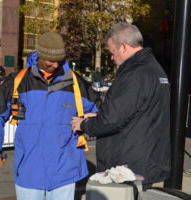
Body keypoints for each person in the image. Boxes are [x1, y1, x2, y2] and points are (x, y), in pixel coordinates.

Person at [0, 32, 99, 200]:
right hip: (29, 169)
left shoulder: (76, 83)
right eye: (51, 60)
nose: (55, 64)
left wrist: (88, 120)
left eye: (59, 60)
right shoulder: (18, 81)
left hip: (64, 171)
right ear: (40, 57)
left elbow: (101, 114)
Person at [71, 22, 171, 189]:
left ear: (123, 47)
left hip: (129, 165)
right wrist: (98, 116)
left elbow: (111, 120)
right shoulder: (154, 69)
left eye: (112, 51)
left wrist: (84, 124)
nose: (111, 57)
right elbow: (136, 113)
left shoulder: (134, 74)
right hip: (148, 158)